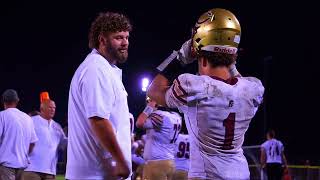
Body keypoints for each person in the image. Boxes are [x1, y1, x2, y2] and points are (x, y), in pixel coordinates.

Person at [147, 8, 265, 179]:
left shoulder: (193, 87)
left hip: (206, 175)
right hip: (241, 174)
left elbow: (154, 90)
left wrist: (180, 58)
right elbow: (237, 79)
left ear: (197, 50)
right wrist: (229, 59)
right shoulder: (253, 89)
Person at [66, 11, 132, 180]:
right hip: (94, 174)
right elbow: (99, 120)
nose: (125, 42)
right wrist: (121, 161)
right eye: (118, 37)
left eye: (126, 37)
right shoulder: (96, 68)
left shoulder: (106, 69)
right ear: (102, 40)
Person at [136, 98, 182, 180]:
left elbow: (139, 123)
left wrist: (149, 108)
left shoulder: (159, 115)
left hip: (156, 163)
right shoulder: (177, 116)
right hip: (170, 161)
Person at [23, 99, 67, 180]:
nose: (53, 110)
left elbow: (64, 145)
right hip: (31, 169)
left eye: (54, 108)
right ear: (42, 109)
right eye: (50, 107)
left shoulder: (57, 126)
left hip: (50, 171)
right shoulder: (31, 121)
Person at [0, 89, 38, 180]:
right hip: (22, 165)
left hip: (6, 165)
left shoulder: (2, 115)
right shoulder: (27, 118)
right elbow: (32, 143)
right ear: (17, 101)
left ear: (3, 101)